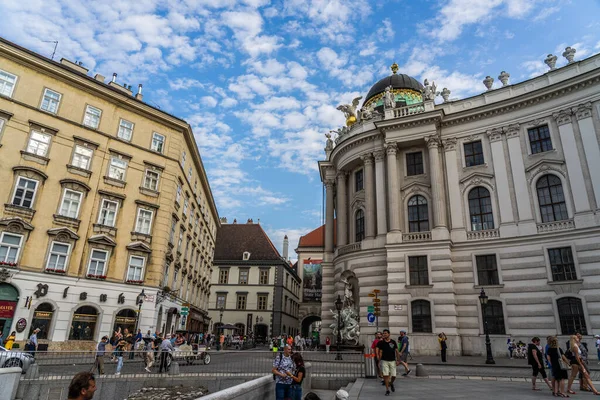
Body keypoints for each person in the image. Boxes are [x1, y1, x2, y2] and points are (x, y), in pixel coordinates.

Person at [376, 329, 400, 396]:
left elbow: (397, 351)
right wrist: (378, 358)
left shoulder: (393, 342)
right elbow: (379, 350)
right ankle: (387, 390)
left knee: (394, 376)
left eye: (385, 333)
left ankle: (391, 383)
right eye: (383, 333)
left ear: (389, 334)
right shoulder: (381, 342)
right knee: (386, 376)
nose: (384, 334)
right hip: (384, 361)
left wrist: (398, 360)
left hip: (392, 361)